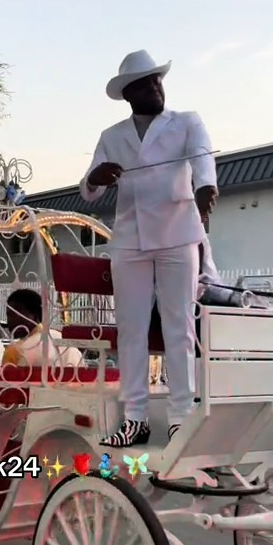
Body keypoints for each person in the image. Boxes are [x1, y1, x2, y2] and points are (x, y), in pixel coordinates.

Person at [80, 49, 218, 447]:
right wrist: (97, 176)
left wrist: (205, 186)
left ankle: (180, 416)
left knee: (178, 326)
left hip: (178, 232)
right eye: (146, 84)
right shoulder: (112, 136)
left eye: (158, 80)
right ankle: (135, 418)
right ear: (129, 94)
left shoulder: (187, 122)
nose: (156, 88)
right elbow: (87, 192)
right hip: (130, 239)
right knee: (131, 329)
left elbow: (203, 161)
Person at [2, 288, 83, 368]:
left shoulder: (15, 351)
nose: (9, 321)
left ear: (34, 315)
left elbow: (4, 379)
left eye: (12, 315)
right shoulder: (63, 340)